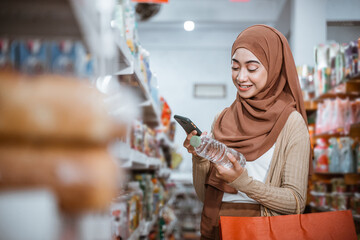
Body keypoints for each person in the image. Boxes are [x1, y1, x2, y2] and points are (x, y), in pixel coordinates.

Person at [183, 25, 311, 240]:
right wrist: (199, 160)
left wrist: (243, 183)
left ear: (274, 67)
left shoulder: (291, 122)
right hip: (217, 229)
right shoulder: (222, 119)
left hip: (264, 232)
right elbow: (206, 196)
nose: (241, 77)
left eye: (252, 68)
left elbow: (296, 202)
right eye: (235, 67)